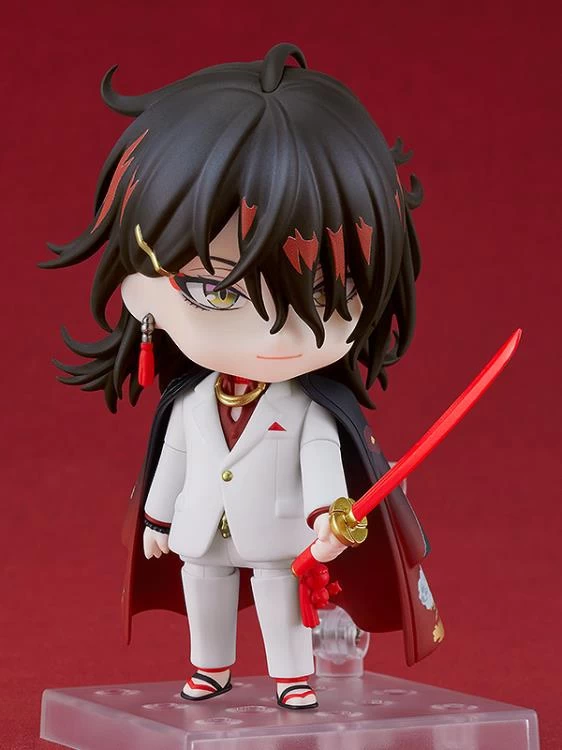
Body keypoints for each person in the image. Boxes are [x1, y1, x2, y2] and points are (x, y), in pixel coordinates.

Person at [43, 42, 443, 710]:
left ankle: (291, 676)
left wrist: (329, 521)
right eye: (218, 291)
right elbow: (173, 459)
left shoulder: (308, 412)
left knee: (280, 595)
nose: (275, 335)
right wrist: (157, 518)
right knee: (203, 588)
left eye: (326, 293)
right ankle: (211, 668)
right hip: (202, 527)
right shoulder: (192, 403)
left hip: (278, 532)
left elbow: (322, 466)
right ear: (140, 290)